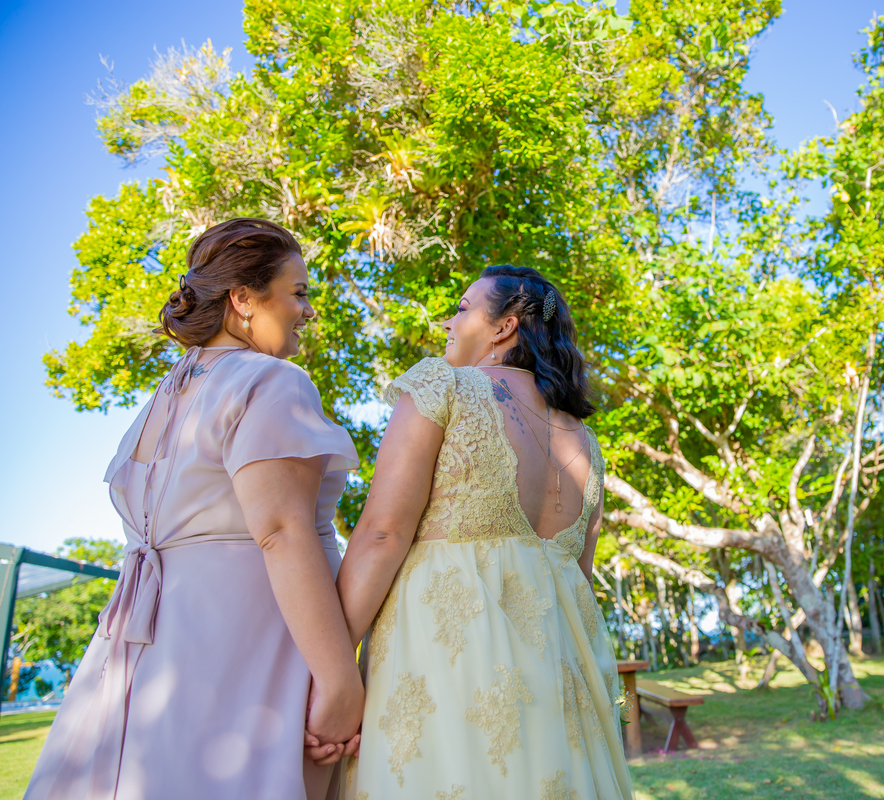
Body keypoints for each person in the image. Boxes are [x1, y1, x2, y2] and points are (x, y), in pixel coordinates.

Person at [25, 219, 364, 800]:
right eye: (299, 293)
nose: (307, 311)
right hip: (246, 644)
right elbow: (282, 533)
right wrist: (339, 679)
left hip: (154, 646)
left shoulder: (164, 395)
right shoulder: (269, 380)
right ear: (242, 299)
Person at [336, 265, 634, 799]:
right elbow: (580, 577)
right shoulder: (585, 442)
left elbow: (382, 534)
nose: (449, 320)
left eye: (462, 307)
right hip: (559, 679)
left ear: (504, 327)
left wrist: (330, 664)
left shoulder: (442, 388)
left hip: (446, 663)